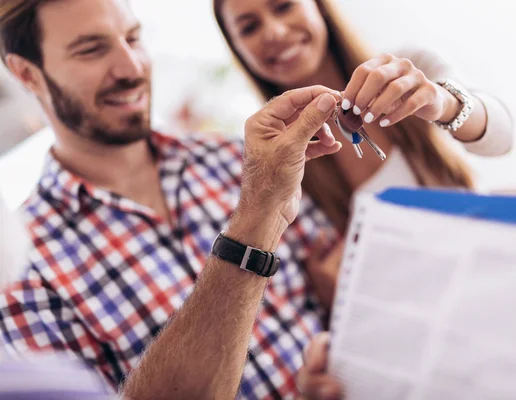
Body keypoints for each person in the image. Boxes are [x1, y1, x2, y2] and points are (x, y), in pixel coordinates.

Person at [0, 0, 339, 398]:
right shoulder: (23, 269)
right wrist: (257, 216)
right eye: (91, 49)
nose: (132, 68)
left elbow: (341, 300)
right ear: (27, 74)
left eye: (133, 38)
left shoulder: (234, 159)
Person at [213, 0, 515, 309]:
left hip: (496, 275)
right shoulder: (281, 160)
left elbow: (502, 138)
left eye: (283, 6)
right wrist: (333, 293)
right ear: (238, 49)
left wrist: (445, 104)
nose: (275, 31)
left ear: (319, 7)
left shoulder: (407, 71)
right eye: (249, 27)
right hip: (424, 317)